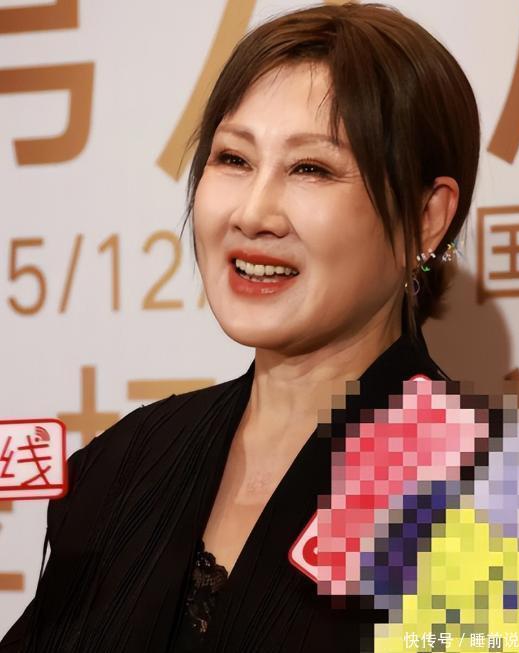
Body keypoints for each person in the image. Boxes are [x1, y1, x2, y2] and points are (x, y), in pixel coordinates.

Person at [0, 2, 480, 651]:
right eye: (233, 159)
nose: (253, 214)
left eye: (311, 168)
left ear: (427, 217)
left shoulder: (482, 495)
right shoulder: (124, 462)